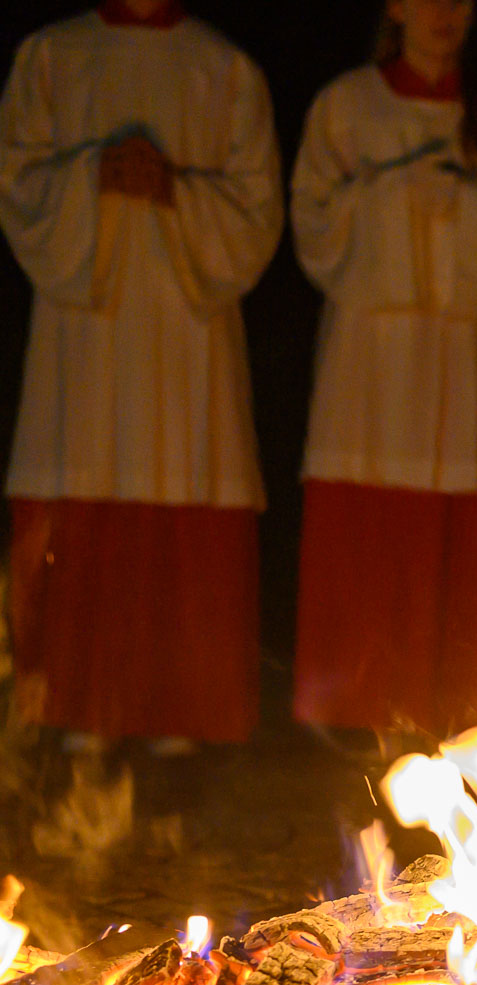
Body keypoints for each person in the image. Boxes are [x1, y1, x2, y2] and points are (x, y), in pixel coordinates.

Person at [0, 0, 281, 752]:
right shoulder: (50, 57)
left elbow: (257, 215)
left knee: (183, 473)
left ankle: (178, 709)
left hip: (187, 325)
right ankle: (80, 706)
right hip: (84, 328)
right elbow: (18, 186)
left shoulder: (224, 70)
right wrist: (92, 177)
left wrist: (175, 190)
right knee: (85, 464)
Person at [290, 0, 477, 742]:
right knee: (367, 525)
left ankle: (457, 714)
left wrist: (463, 205)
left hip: (463, 359)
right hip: (371, 358)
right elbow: (312, 222)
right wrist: (397, 196)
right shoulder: (346, 106)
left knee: (457, 526)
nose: (445, 13)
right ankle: (353, 709)